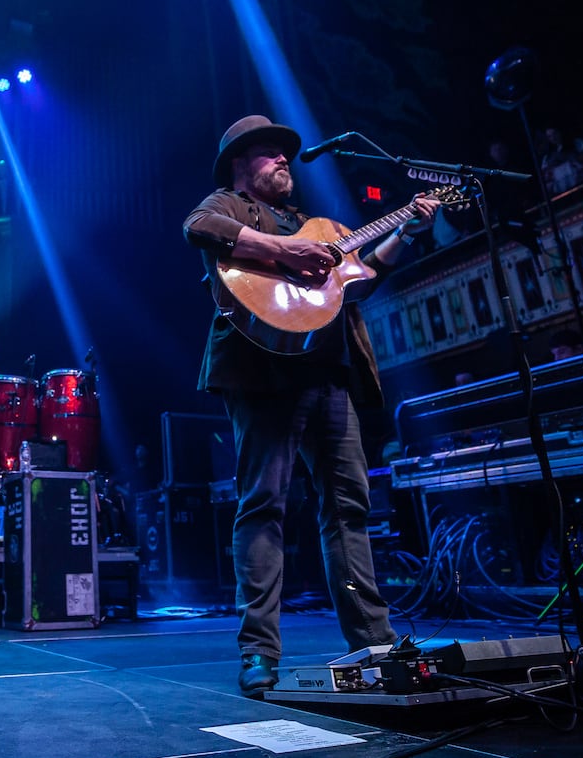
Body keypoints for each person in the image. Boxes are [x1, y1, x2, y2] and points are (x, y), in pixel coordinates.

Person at [183, 115, 438, 697]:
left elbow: (360, 279)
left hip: (330, 373)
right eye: (269, 154)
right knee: (264, 504)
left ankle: (373, 641)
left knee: (349, 505)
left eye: (284, 155)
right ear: (240, 166)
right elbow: (197, 228)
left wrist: (408, 230)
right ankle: (258, 652)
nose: (282, 162)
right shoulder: (227, 205)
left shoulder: (319, 225)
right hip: (262, 370)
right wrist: (287, 252)